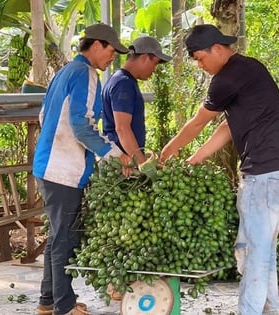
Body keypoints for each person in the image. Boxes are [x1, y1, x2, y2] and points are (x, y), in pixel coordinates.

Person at [159, 24, 279, 315]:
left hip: (263, 175)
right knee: (264, 249)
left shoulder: (227, 78)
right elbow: (228, 126)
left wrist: (170, 149)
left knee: (253, 252)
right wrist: (196, 157)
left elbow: (199, 121)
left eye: (199, 58)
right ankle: (270, 309)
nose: (199, 65)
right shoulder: (248, 70)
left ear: (218, 49)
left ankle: (250, 310)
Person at [33, 23, 130, 315]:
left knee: (57, 236)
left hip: (47, 166)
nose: (113, 57)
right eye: (112, 50)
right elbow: (81, 125)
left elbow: (42, 115)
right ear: (97, 45)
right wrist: (115, 155)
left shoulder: (63, 72)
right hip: (62, 170)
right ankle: (64, 306)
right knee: (65, 238)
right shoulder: (86, 73)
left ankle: (47, 302)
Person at [101, 36, 172, 165]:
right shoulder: (124, 84)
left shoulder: (119, 79)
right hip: (123, 165)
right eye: (155, 63)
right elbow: (122, 129)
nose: (154, 69)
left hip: (122, 160)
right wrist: (143, 164)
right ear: (144, 57)